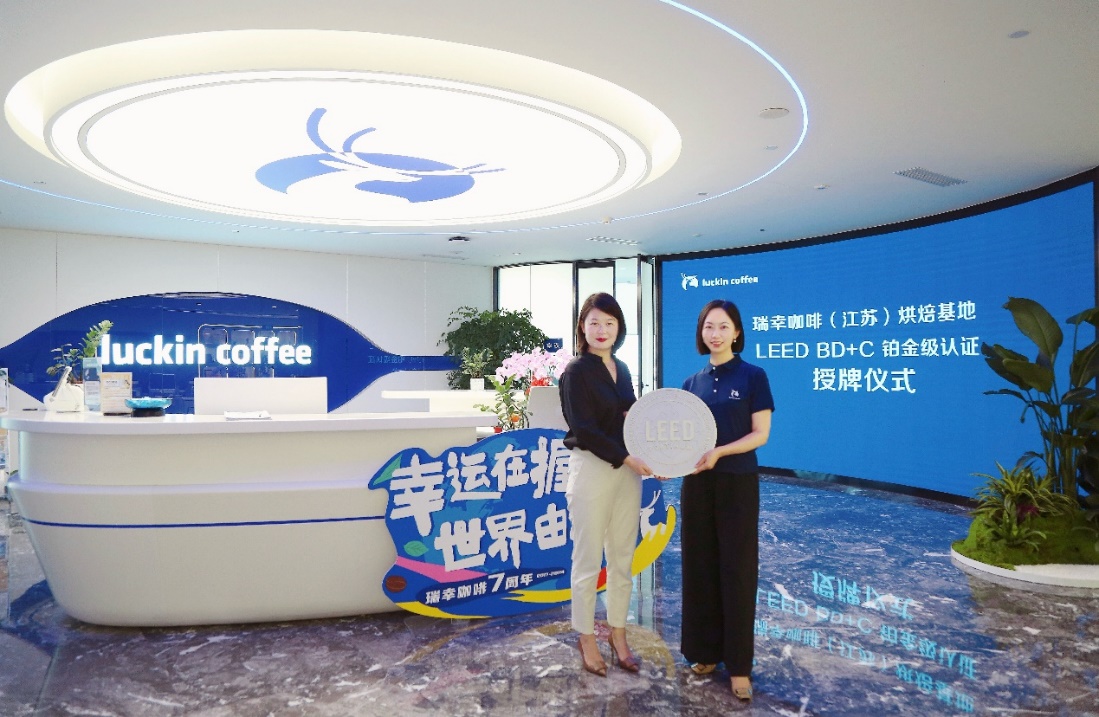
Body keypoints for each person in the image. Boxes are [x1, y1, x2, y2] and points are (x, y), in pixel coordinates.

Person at [680, 299, 774, 702]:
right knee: (699, 567)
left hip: (737, 483)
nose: (715, 334)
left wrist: (720, 452)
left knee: (737, 570)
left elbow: (760, 434)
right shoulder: (691, 384)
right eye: (708, 327)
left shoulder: (753, 376)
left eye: (723, 326)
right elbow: (681, 439)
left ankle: (739, 666)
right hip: (697, 486)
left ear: (737, 332)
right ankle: (704, 653)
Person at [559, 292, 655, 677]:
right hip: (593, 469)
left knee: (622, 558)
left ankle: (618, 633)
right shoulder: (575, 372)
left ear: (620, 328)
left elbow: (631, 416)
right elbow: (583, 429)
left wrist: (658, 455)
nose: (602, 330)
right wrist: (628, 458)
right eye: (594, 322)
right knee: (587, 560)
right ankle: (585, 636)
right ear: (582, 326)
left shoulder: (622, 368)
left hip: (627, 472)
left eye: (610, 323)